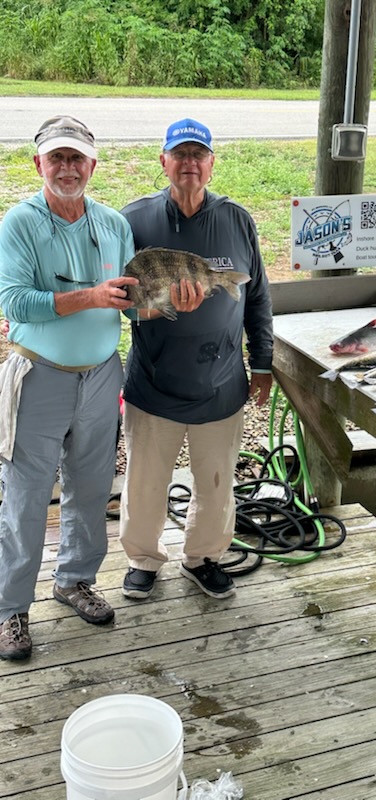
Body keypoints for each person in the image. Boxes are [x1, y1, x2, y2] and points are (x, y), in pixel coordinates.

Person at [0, 115, 139, 661]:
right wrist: (90, 297)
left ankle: (74, 579)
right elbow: (14, 303)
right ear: (38, 164)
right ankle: (11, 609)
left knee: (90, 486)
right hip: (39, 375)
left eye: (76, 158)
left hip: (103, 373)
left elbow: (129, 294)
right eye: (56, 157)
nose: (66, 168)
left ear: (92, 165)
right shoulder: (20, 223)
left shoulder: (113, 224)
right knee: (25, 495)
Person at [119, 118, 273, 601]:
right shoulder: (134, 220)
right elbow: (120, 301)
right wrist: (159, 308)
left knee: (216, 481)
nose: (189, 164)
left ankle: (203, 557)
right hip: (153, 382)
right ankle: (143, 558)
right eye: (179, 154)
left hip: (222, 382)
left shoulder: (237, 220)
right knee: (145, 481)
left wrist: (263, 362)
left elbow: (258, 298)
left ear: (211, 163)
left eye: (198, 155)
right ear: (163, 161)